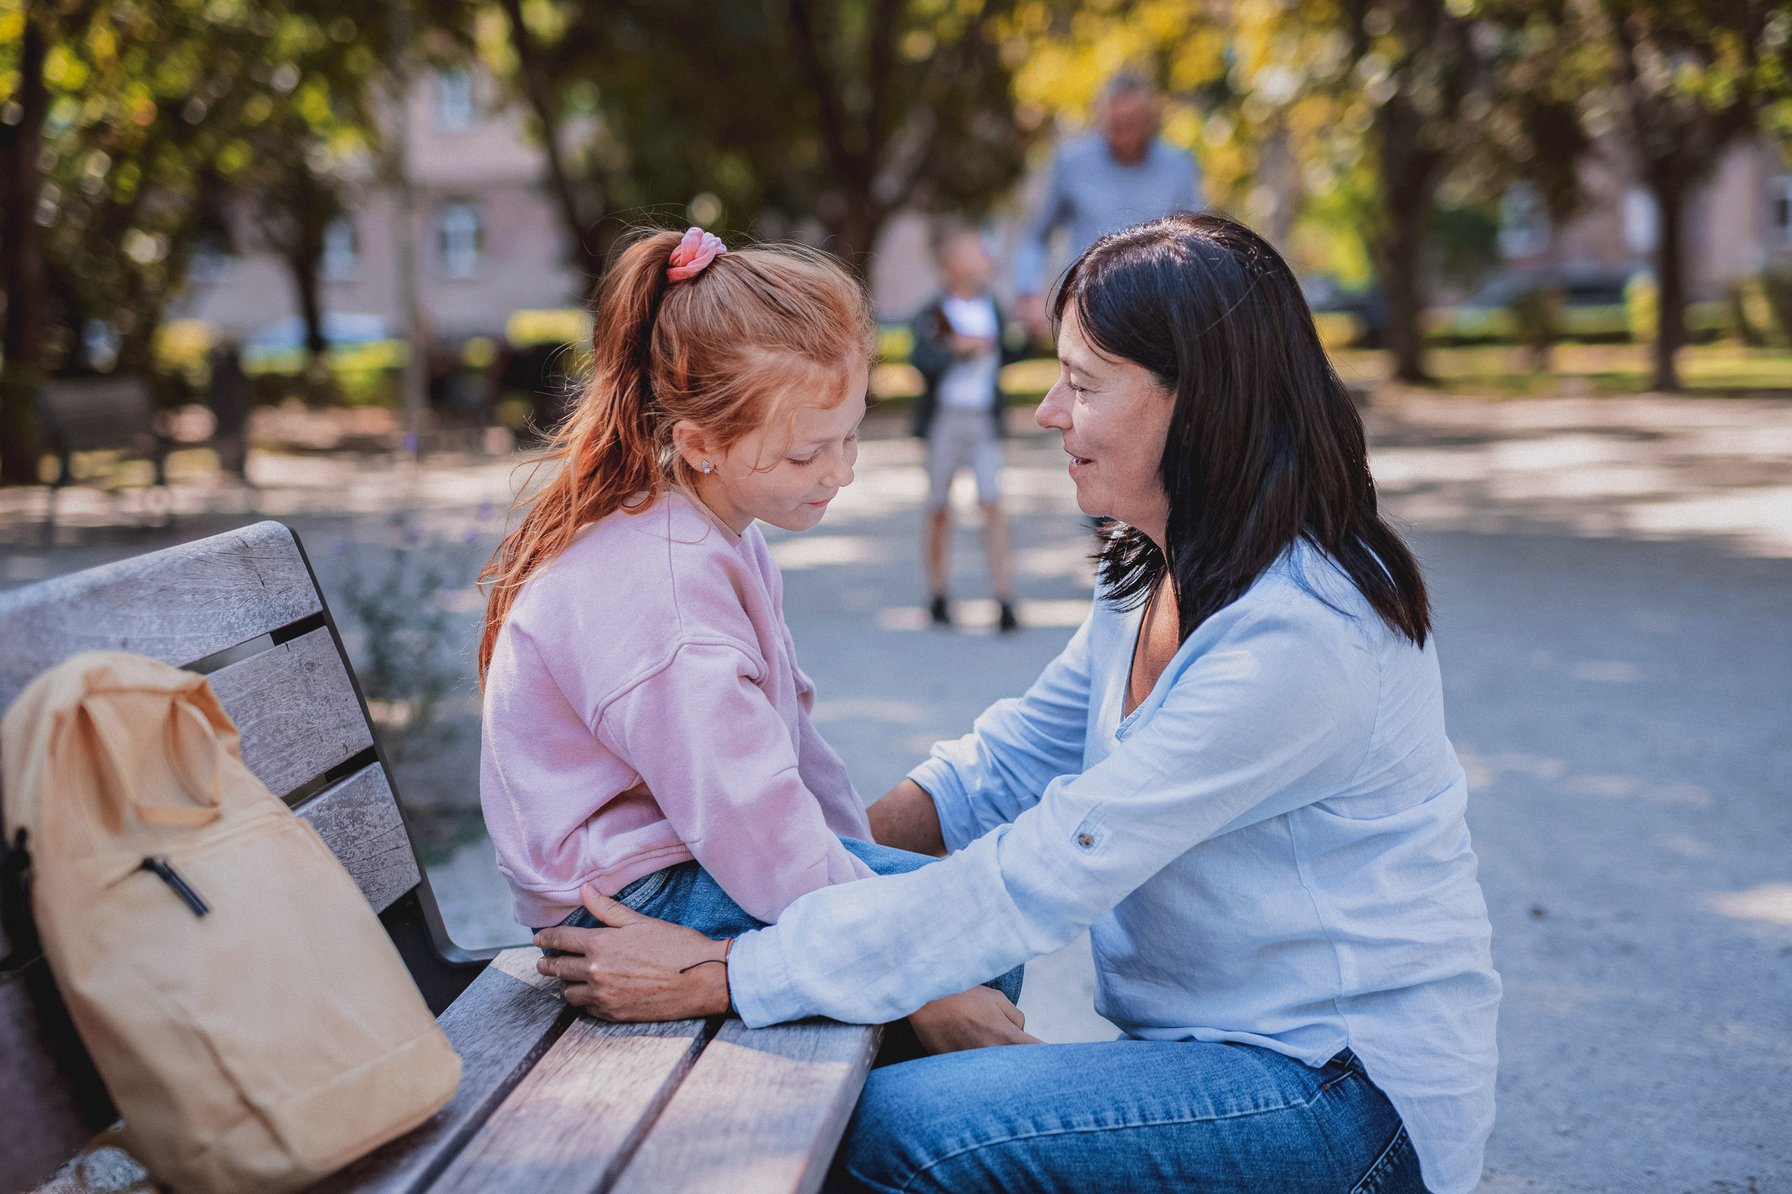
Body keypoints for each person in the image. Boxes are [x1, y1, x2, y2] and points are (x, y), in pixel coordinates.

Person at [534, 213, 1502, 1194]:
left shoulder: (1299, 638)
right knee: (886, 1026)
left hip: (1337, 1099)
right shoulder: (1164, 566)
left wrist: (721, 973)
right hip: (1224, 1058)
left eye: (1081, 384)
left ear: (1196, 404)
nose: (1044, 411)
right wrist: (811, 874)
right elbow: (1002, 770)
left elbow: (1046, 869)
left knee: (886, 1128)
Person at [476, 227, 1021, 1044]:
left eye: (852, 436)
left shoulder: (718, 528)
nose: (841, 472)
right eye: (807, 454)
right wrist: (895, 964)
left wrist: (859, 859)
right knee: (966, 953)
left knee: (969, 936)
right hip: (628, 897)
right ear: (699, 444)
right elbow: (750, 816)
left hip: (682, 855)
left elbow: (791, 749)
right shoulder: (667, 591)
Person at [1013, 70, 1204, 342]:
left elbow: (1196, 240)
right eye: (1115, 123)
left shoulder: (1180, 166)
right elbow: (1036, 237)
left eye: (1131, 122)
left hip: (1159, 312)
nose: (1122, 133)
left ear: (1150, 119)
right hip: (1088, 309)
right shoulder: (1071, 164)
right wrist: (1028, 292)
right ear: (1100, 119)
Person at [909, 227, 1023, 632]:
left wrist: (1025, 332)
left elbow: (1010, 352)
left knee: (992, 503)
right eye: (974, 252)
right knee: (939, 506)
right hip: (945, 419)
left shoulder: (991, 305)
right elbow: (921, 361)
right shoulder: (933, 312)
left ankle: (1004, 598)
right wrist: (956, 350)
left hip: (983, 419)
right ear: (952, 263)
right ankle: (937, 593)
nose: (983, 257)